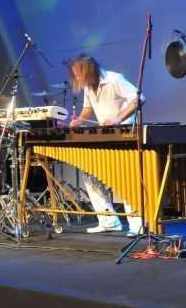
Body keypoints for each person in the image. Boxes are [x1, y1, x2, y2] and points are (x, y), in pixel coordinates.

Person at [68, 54, 143, 236]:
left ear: (89, 71)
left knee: (126, 180)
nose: (77, 79)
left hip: (124, 135)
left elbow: (138, 99)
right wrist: (79, 120)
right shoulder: (89, 86)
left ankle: (137, 225)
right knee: (91, 176)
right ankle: (108, 220)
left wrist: (117, 118)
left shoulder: (115, 79)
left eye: (79, 75)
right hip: (104, 136)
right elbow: (88, 108)